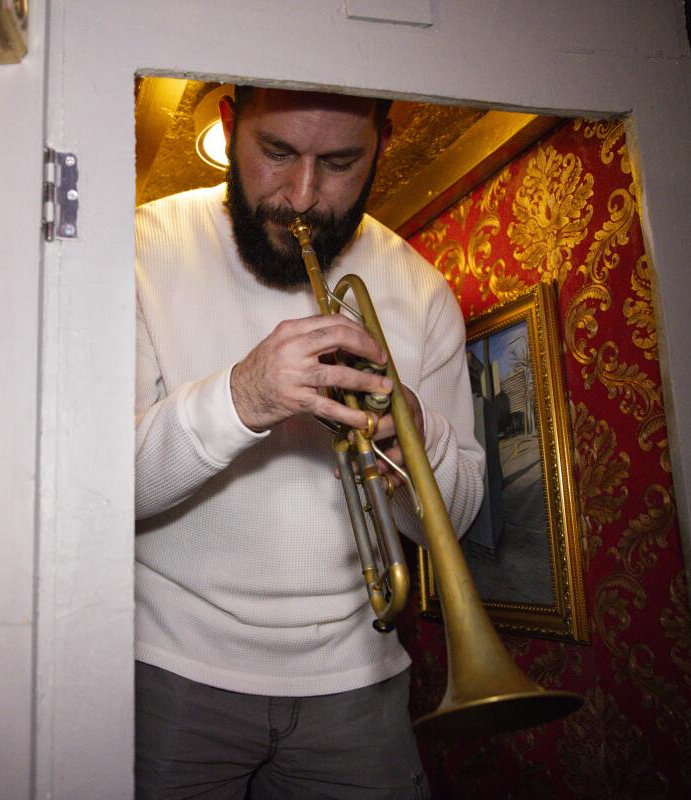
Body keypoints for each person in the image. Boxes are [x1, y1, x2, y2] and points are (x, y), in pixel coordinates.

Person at [134, 86, 485, 798]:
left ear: (382, 145)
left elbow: (460, 516)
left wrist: (416, 438)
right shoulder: (138, 247)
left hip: (360, 684)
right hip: (169, 671)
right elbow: (95, 490)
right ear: (230, 127)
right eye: (277, 153)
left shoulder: (420, 289)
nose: (301, 196)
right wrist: (244, 394)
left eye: (340, 163)